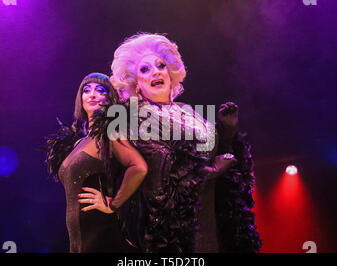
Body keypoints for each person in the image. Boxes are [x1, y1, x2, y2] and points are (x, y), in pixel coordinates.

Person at [106, 33, 261, 253]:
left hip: (209, 217)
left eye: (161, 66)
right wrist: (211, 171)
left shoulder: (188, 112)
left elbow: (213, 153)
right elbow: (159, 177)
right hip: (172, 229)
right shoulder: (134, 118)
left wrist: (227, 133)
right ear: (136, 84)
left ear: (170, 74)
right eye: (145, 69)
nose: (156, 71)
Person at [44, 73, 148, 253]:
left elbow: (139, 167)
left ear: (110, 99)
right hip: (78, 238)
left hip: (101, 234)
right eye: (86, 90)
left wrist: (113, 204)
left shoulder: (110, 132)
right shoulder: (79, 142)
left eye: (100, 90)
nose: (92, 94)